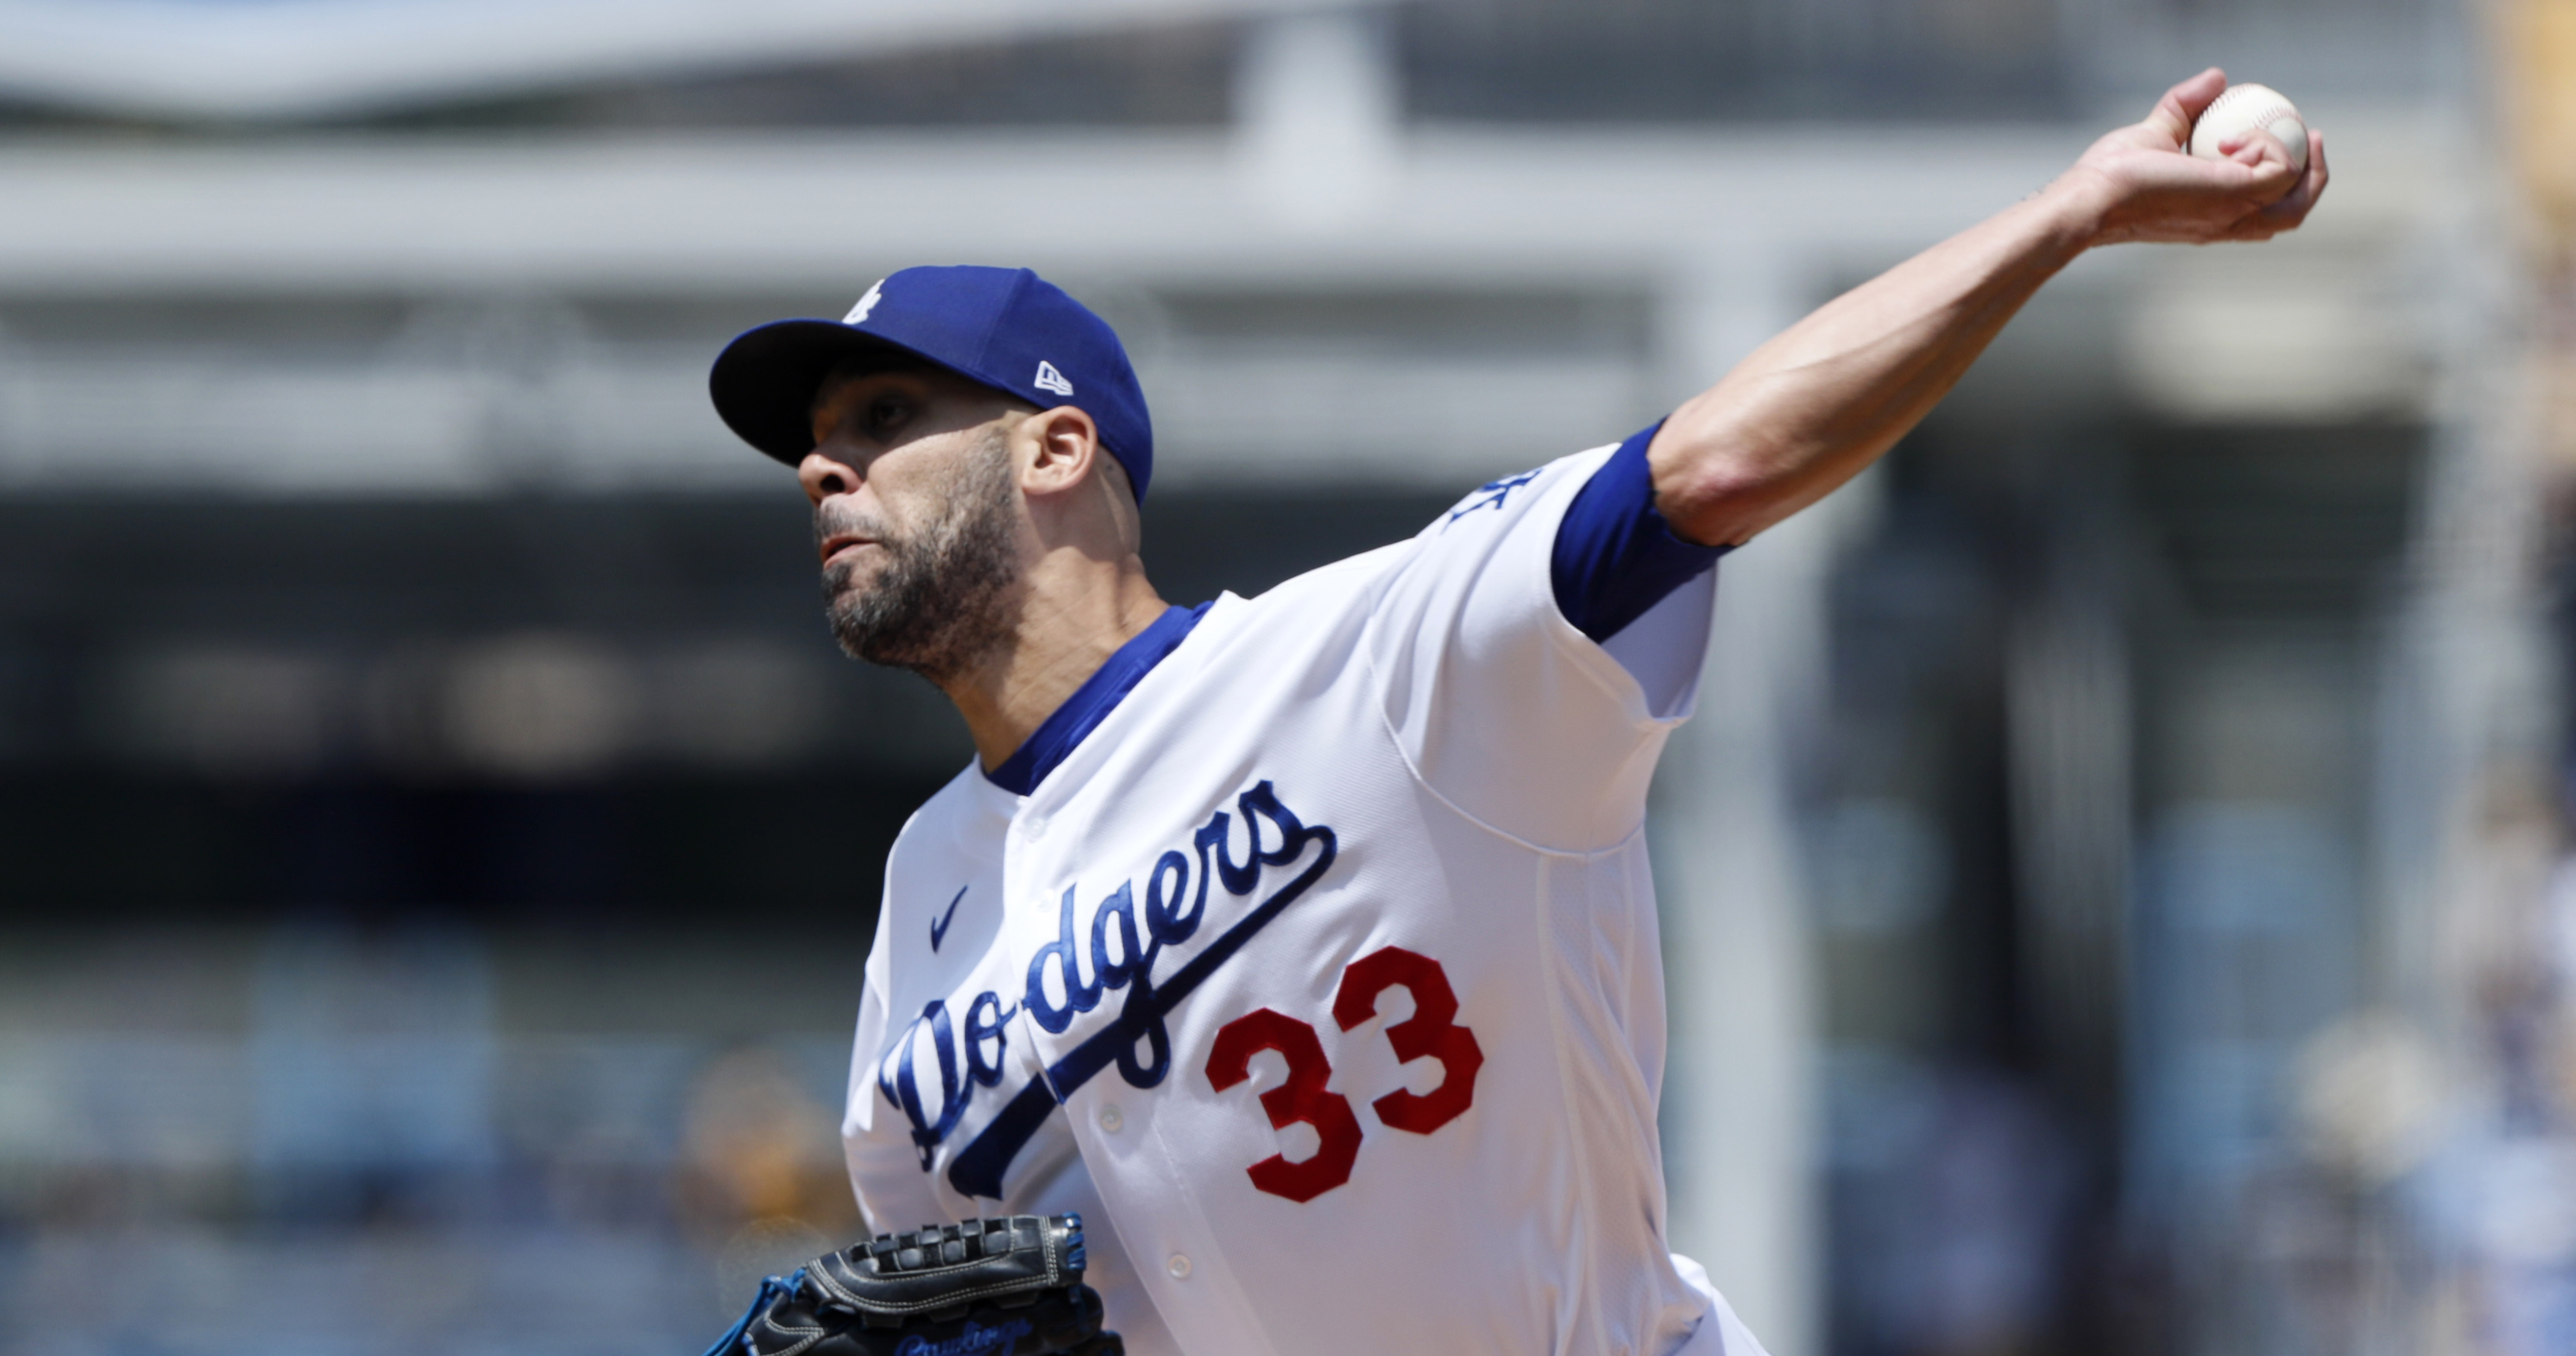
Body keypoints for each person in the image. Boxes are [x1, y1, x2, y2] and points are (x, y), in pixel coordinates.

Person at [704, 69, 2325, 1356]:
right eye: (819, 443)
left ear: (1057, 451)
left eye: (887, 415)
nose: (824, 469)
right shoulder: (928, 906)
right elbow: (953, 1297)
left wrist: (2069, 214)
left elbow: (1715, 464)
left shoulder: (1375, 662)